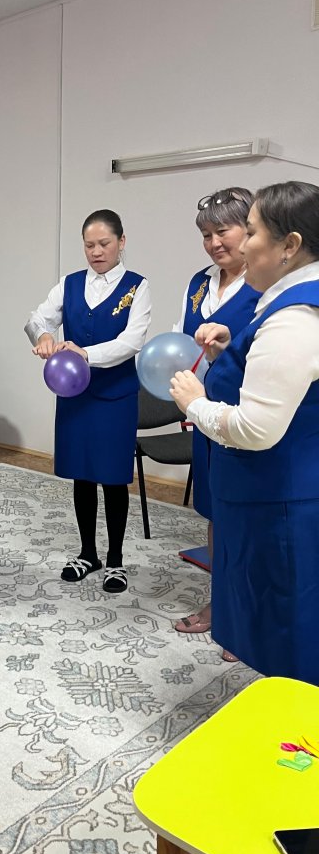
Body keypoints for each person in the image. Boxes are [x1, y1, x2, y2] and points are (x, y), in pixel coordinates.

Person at [170, 181, 319, 683]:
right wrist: (231, 349)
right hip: (285, 488)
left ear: (290, 245)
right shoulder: (293, 303)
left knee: (289, 635)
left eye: (249, 232)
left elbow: (255, 428)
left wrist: (196, 403)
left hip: (281, 499)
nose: (240, 245)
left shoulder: (296, 317)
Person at [26, 210, 151, 593]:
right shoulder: (69, 284)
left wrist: (85, 354)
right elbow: (37, 318)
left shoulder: (137, 286)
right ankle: (87, 553)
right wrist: (43, 337)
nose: (96, 252)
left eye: (104, 244)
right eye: (89, 245)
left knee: (112, 478)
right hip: (75, 396)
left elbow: (132, 341)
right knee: (82, 474)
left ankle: (115, 560)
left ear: (121, 242)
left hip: (116, 397)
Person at [171, 188, 260, 645]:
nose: (214, 243)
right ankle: (222, 602)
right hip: (203, 417)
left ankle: (249, 616)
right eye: (206, 234)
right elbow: (179, 340)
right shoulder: (199, 283)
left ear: (251, 230)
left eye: (223, 231)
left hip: (245, 418)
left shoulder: (267, 285)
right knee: (215, 510)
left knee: (249, 516)